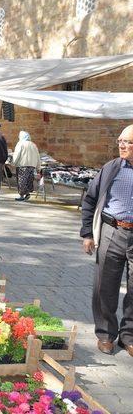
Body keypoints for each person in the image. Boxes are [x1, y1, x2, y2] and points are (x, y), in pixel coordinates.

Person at [81, 125, 133, 356]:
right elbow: (90, 199)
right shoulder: (111, 168)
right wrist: (88, 234)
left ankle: (129, 335)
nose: (122, 145)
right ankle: (105, 334)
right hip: (112, 231)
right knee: (105, 286)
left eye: (128, 142)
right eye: (120, 141)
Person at [11, 130, 40, 201]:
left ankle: (22, 195)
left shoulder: (20, 144)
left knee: (21, 181)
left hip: (22, 165)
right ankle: (27, 194)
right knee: (29, 180)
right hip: (32, 166)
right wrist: (38, 166)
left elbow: (17, 155)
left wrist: (13, 163)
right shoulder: (33, 145)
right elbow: (38, 156)